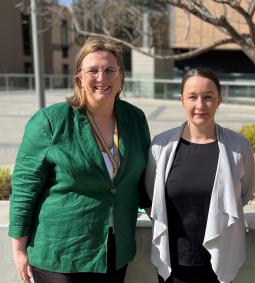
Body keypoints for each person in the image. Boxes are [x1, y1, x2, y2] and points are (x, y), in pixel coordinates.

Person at [9, 36, 150, 283]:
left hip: (115, 252)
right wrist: (19, 249)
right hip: (61, 254)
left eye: (109, 70)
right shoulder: (51, 121)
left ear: (120, 77)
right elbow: (24, 189)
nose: (101, 78)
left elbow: (143, 181)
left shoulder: (135, 119)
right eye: (92, 70)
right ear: (79, 77)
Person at [145, 67, 255, 283]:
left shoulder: (238, 146)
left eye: (208, 97)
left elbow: (245, 193)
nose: (200, 105)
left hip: (219, 261)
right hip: (173, 262)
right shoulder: (161, 145)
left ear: (219, 100)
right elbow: (152, 197)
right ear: (182, 100)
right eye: (192, 97)